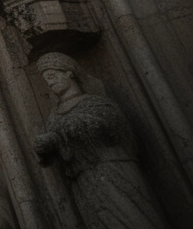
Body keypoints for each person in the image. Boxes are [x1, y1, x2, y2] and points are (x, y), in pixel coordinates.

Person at [33, 52, 168, 229]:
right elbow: (60, 152)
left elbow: (117, 130)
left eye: (52, 76)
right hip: (83, 181)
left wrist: (72, 128)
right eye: (46, 81)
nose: (50, 83)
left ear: (69, 73)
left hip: (112, 169)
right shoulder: (53, 116)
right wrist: (45, 146)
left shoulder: (96, 103)